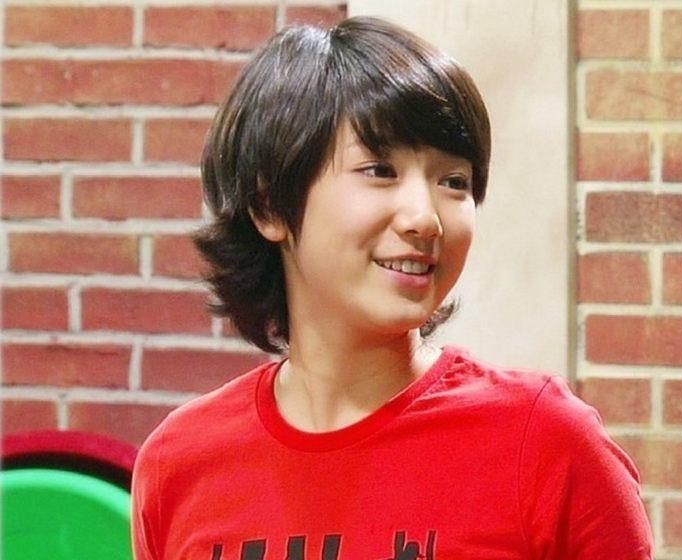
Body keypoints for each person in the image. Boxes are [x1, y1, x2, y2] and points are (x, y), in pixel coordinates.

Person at [131, 16, 653, 560]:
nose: (425, 218)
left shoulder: (544, 443)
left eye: (454, 181)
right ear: (269, 207)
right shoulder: (179, 463)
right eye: (380, 170)